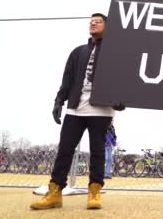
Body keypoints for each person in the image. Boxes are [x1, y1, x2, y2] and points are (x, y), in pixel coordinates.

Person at [30, 13, 125, 210]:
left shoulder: (115, 51)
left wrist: (122, 98)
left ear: (107, 27)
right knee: (64, 150)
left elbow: (123, 77)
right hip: (75, 108)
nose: (93, 23)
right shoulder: (78, 52)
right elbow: (68, 78)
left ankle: (94, 192)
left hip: (101, 109)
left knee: (98, 152)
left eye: (98, 21)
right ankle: (55, 192)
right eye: (91, 21)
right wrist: (59, 101)